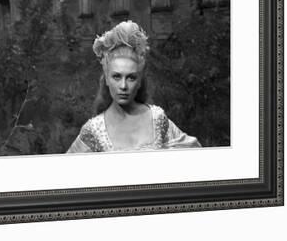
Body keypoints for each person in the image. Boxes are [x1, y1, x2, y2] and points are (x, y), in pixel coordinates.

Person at [67, 21, 201, 153]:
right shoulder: (93, 130)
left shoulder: (157, 118)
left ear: (139, 81)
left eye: (131, 77)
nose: (123, 86)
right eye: (117, 77)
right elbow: (65, 169)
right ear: (106, 79)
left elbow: (195, 154)